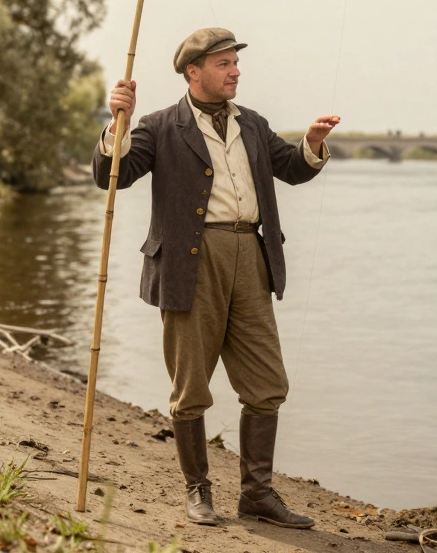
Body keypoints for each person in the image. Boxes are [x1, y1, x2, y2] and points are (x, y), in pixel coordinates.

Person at [92, 27, 341, 528]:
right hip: (190, 262)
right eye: (225, 64)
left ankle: (258, 495)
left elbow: (290, 169)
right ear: (194, 71)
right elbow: (110, 174)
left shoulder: (253, 124)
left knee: (268, 383)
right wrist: (114, 124)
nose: (236, 71)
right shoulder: (159, 125)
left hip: (251, 255)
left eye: (235, 63)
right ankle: (197, 490)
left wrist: (311, 145)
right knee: (191, 387)